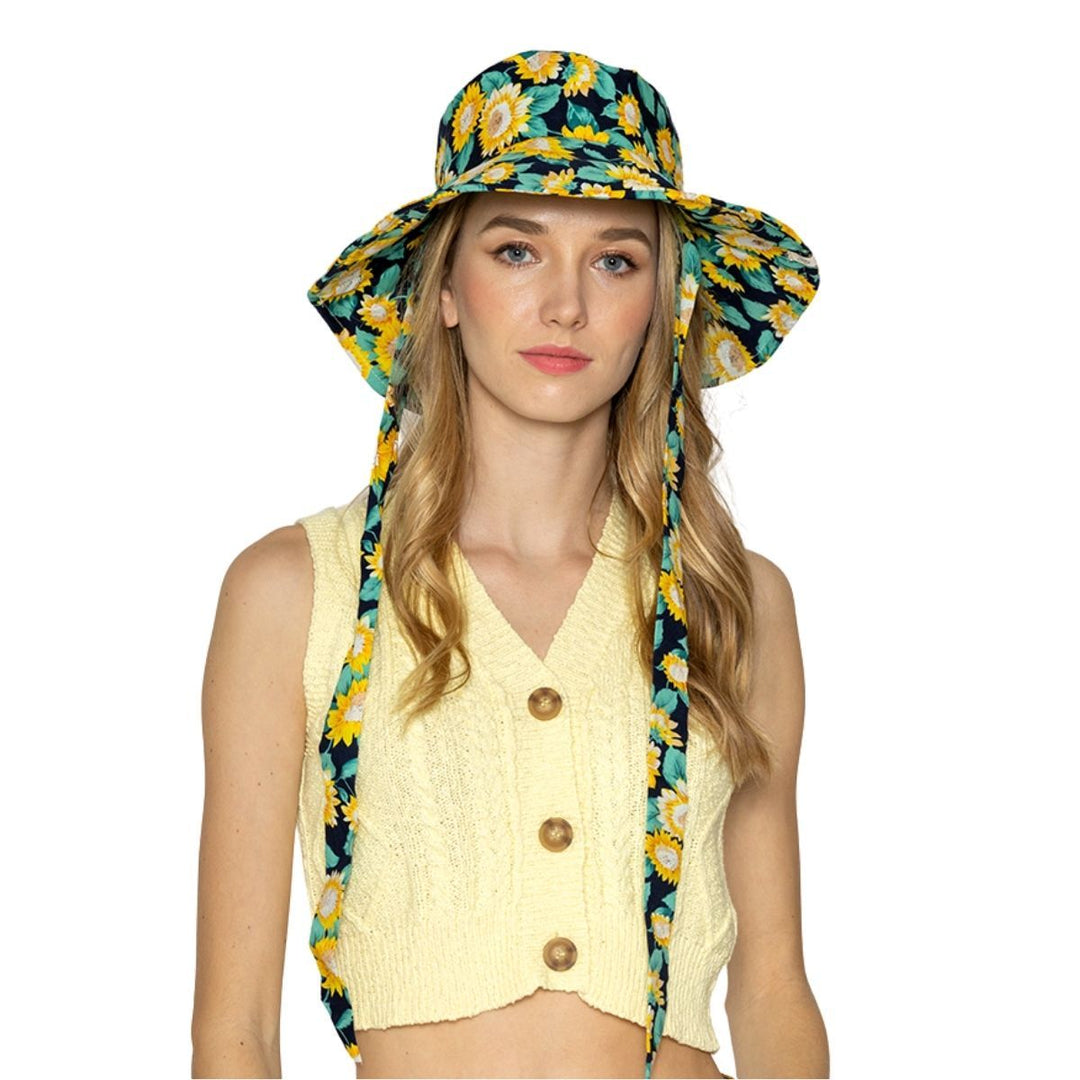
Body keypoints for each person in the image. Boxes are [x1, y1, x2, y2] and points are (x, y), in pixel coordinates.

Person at [192, 49, 829, 1080]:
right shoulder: (298, 592)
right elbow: (235, 1034)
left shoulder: (733, 598)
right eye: (518, 251)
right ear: (445, 287)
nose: (567, 305)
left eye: (616, 261)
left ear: (664, 301)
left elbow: (773, 990)